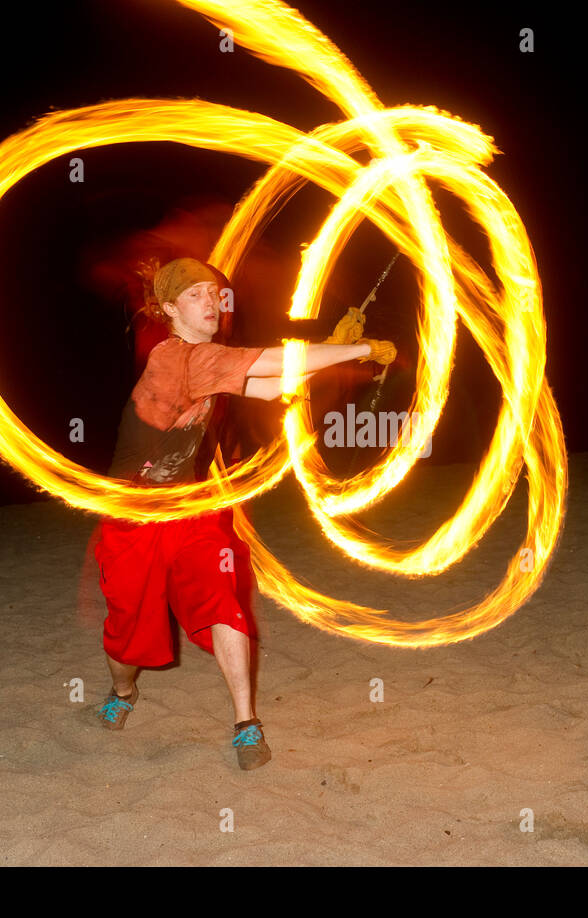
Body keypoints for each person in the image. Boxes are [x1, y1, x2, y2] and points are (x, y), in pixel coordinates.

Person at [92, 257, 395, 770]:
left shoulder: (207, 360)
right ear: (169, 309)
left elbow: (274, 385)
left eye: (215, 293)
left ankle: (245, 724)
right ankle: (123, 692)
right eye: (195, 295)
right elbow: (274, 363)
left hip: (194, 505)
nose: (212, 303)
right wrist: (357, 347)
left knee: (224, 599)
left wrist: (334, 355)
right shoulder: (172, 357)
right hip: (136, 513)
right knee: (130, 631)